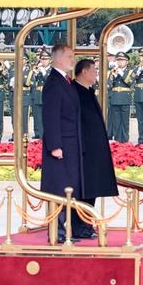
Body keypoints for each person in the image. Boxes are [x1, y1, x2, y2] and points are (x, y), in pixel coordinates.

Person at [41, 44, 87, 243]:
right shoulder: (54, 82)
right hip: (61, 145)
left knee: (69, 187)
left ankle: (65, 230)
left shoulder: (65, 81)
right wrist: (55, 146)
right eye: (69, 56)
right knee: (59, 188)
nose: (72, 60)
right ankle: (57, 233)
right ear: (58, 59)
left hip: (71, 144)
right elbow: (51, 116)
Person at [70, 58, 118, 240]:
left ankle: (87, 225)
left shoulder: (88, 91)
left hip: (93, 150)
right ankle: (79, 227)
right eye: (94, 71)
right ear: (84, 72)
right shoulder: (74, 91)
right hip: (83, 149)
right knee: (81, 191)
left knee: (91, 190)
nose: (96, 74)